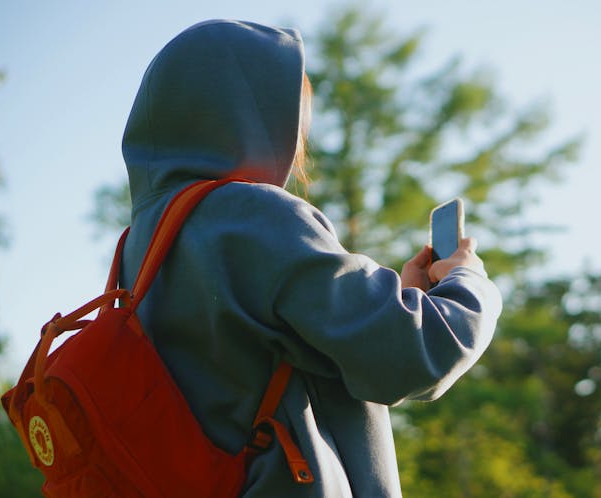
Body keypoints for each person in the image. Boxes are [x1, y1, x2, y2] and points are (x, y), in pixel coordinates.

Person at [119, 20, 502, 497]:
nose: (295, 141)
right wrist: (468, 282)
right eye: (284, 116)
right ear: (241, 110)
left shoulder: (138, 249)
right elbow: (412, 353)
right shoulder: (250, 216)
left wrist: (403, 298)